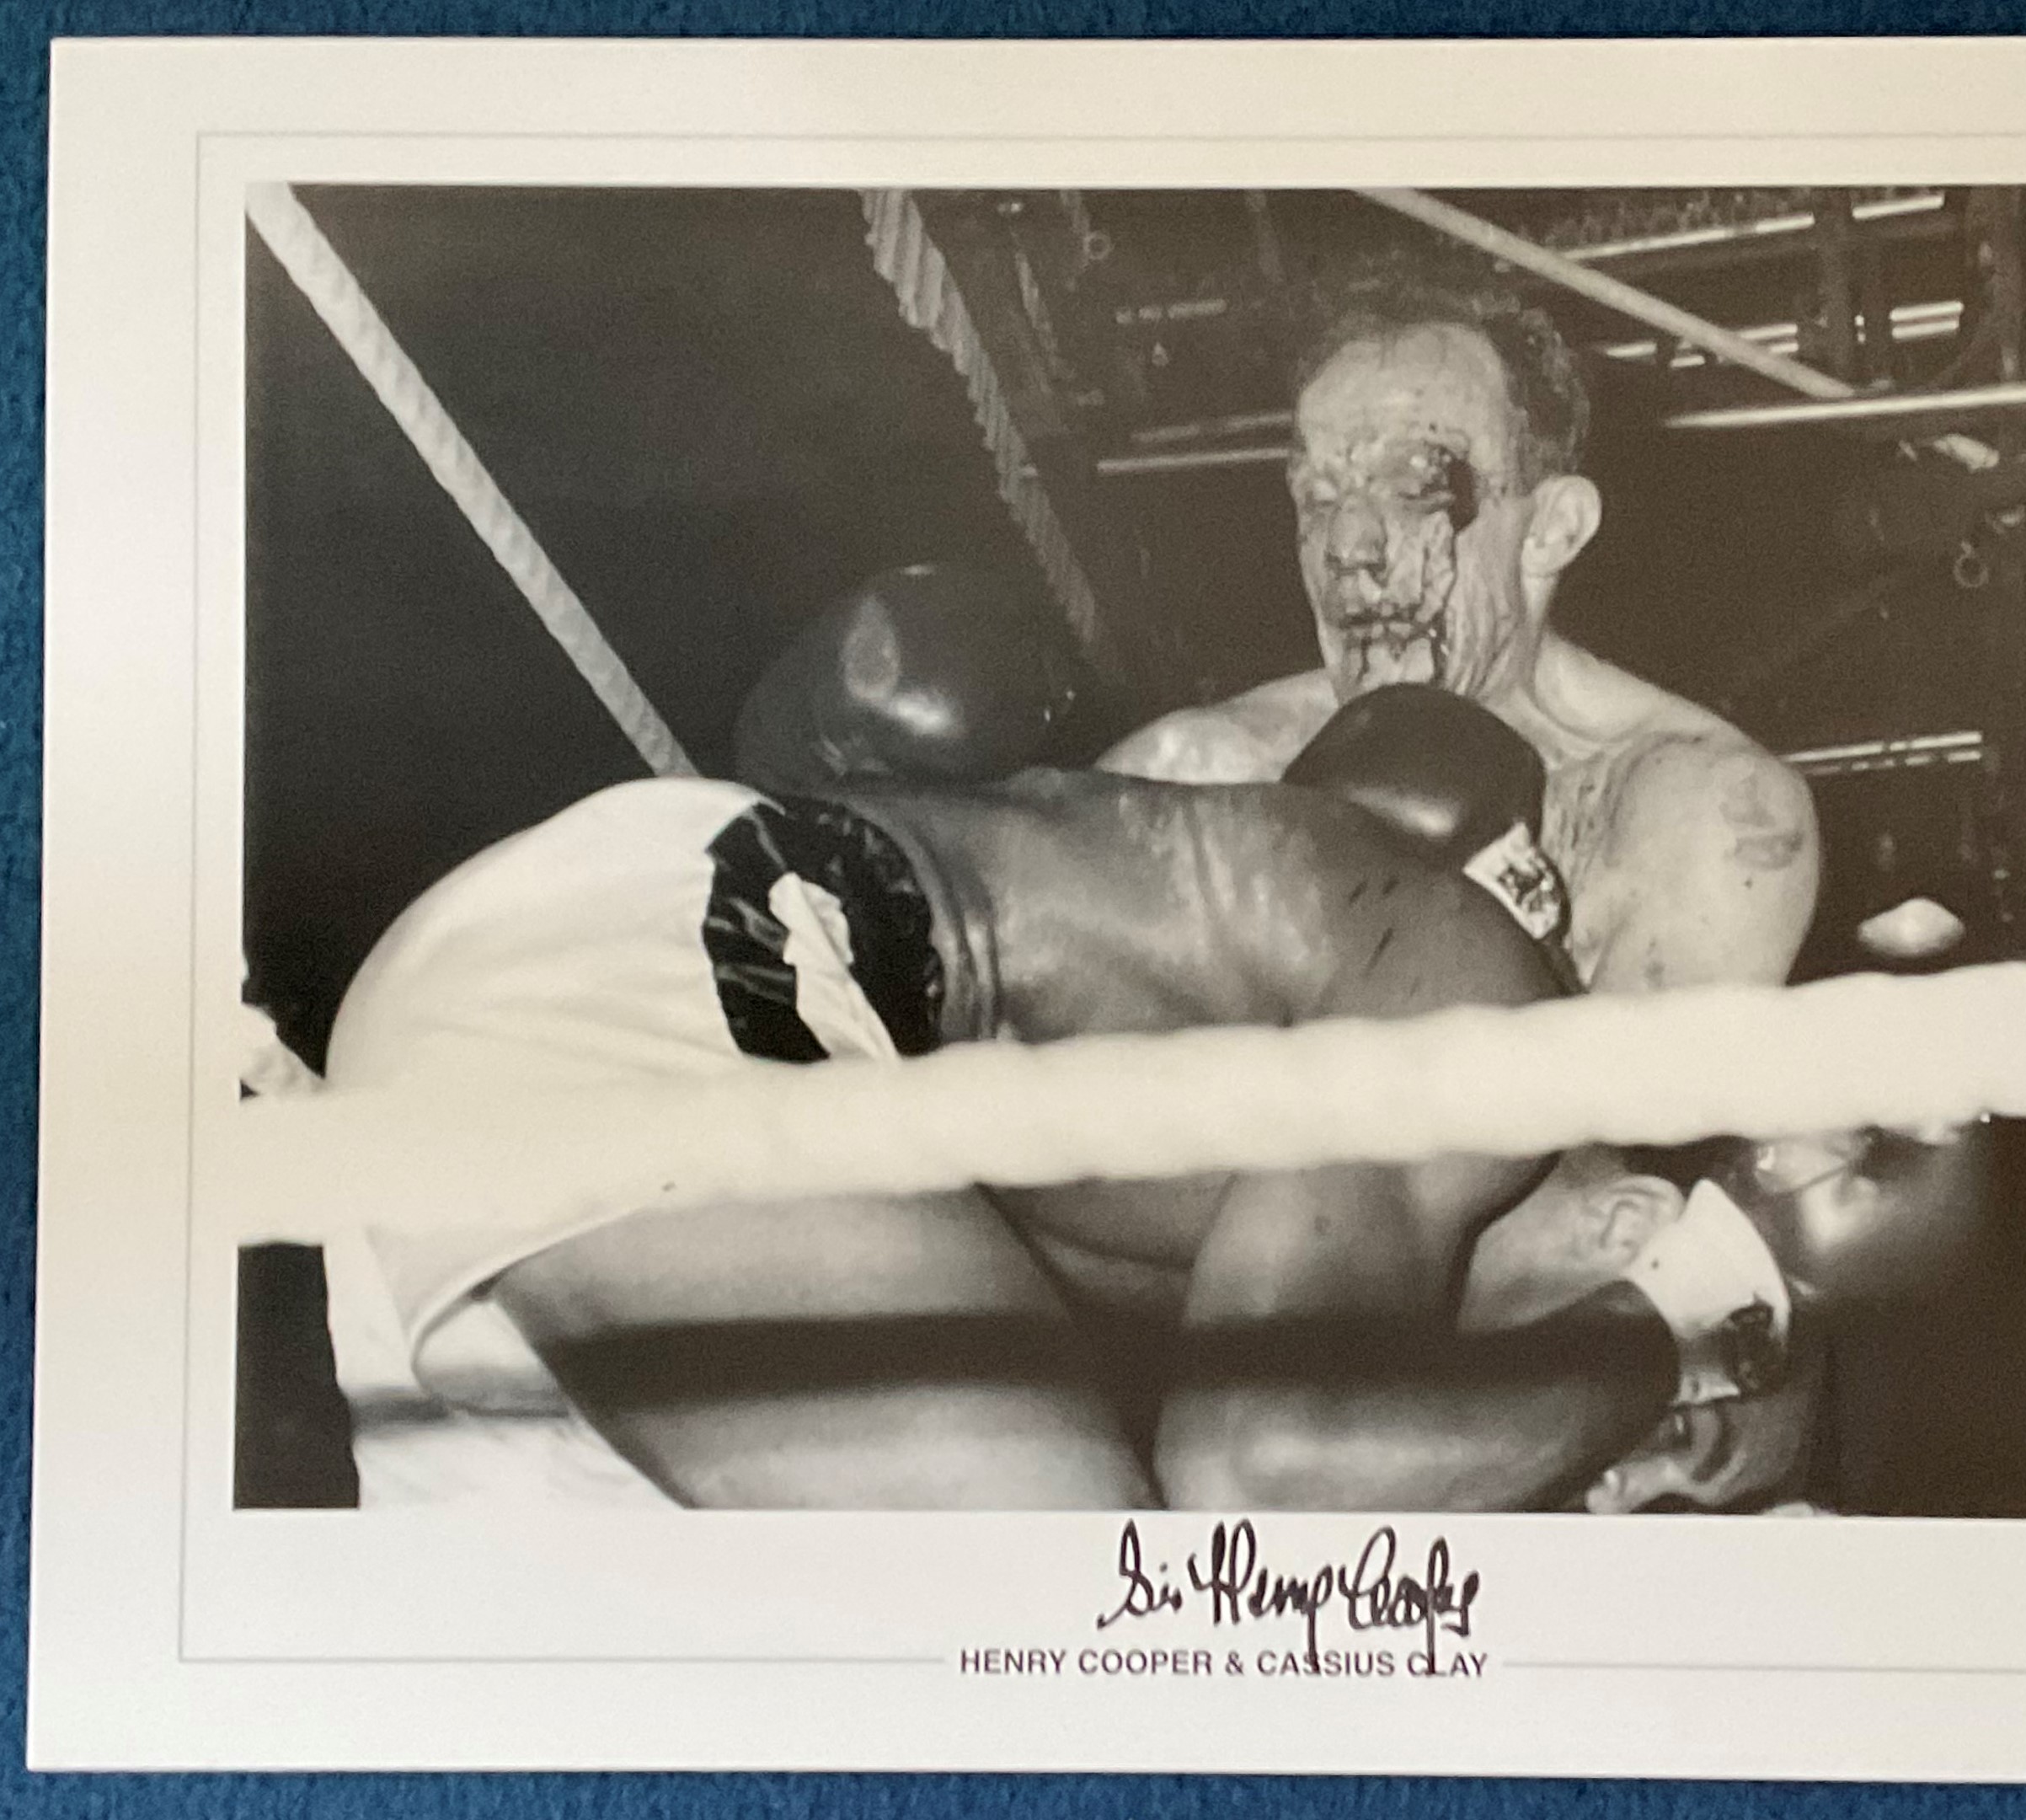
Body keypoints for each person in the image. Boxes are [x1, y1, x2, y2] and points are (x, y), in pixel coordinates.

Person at [323, 683, 1799, 1512]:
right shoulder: (1490, 1023)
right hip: (697, 972)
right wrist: (1692, 1329)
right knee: (1104, 1647)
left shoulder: (1284, 1202)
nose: (1569, 1484)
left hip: (539, 995)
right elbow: (1261, 1487)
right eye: (1608, 1477)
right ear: (1633, 1219)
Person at [1099, 265, 1834, 1507]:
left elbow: (1593, 1221)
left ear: (1551, 526)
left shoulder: (1703, 815)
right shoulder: (1199, 778)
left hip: (1546, 1415)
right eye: (1318, 494)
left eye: (1413, 480)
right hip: (1214, 1399)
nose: (1350, 543)